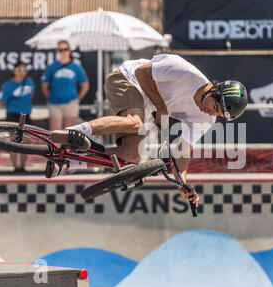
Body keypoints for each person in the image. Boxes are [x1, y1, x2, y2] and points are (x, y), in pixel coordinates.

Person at [51, 54, 248, 206]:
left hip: (145, 105)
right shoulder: (185, 72)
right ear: (214, 90)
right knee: (135, 123)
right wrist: (161, 108)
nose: (211, 113)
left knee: (132, 155)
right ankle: (74, 131)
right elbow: (141, 73)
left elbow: (184, 150)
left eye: (218, 115)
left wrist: (182, 183)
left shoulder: (206, 119)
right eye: (214, 107)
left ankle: (70, 162)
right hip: (127, 79)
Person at [41, 40, 90, 131]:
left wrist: (77, 99)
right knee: (55, 131)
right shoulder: (52, 66)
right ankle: (55, 146)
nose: (63, 52)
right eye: (61, 50)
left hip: (70, 102)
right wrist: (50, 97)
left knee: (68, 130)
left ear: (70, 51)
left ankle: (66, 146)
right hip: (54, 103)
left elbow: (85, 85)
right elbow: (44, 85)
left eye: (66, 49)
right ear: (57, 51)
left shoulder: (76, 67)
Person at [0, 61, 35, 173]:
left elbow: (31, 95)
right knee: (13, 142)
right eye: (19, 70)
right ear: (14, 70)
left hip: (26, 115)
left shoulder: (29, 81)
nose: (22, 72)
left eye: (24, 70)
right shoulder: (7, 85)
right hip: (12, 115)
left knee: (26, 142)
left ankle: (23, 167)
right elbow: (1, 103)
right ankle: (15, 167)